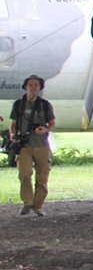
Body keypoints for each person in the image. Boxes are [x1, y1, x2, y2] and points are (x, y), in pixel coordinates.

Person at [9, 75, 55, 216]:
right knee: (24, 174)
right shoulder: (18, 104)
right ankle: (27, 202)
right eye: (31, 85)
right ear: (26, 87)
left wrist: (46, 129)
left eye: (36, 85)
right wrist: (12, 135)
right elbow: (13, 124)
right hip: (24, 146)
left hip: (41, 145)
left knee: (42, 177)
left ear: (40, 88)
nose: (33, 87)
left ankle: (38, 206)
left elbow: (52, 123)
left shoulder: (45, 105)